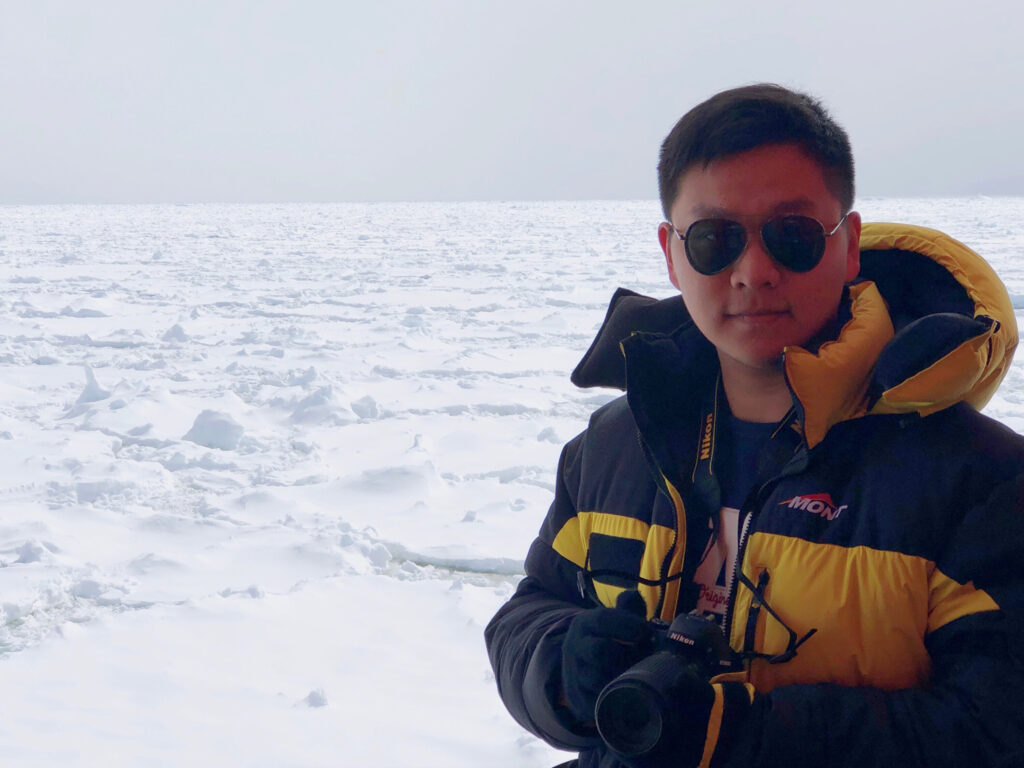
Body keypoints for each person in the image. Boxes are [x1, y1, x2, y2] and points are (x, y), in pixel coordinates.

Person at [485, 83, 1024, 768]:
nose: (754, 272)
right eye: (714, 239)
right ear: (671, 254)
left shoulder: (981, 484)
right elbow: (528, 612)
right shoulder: (611, 450)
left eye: (792, 237)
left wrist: (732, 737)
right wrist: (561, 667)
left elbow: (998, 728)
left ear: (848, 244)